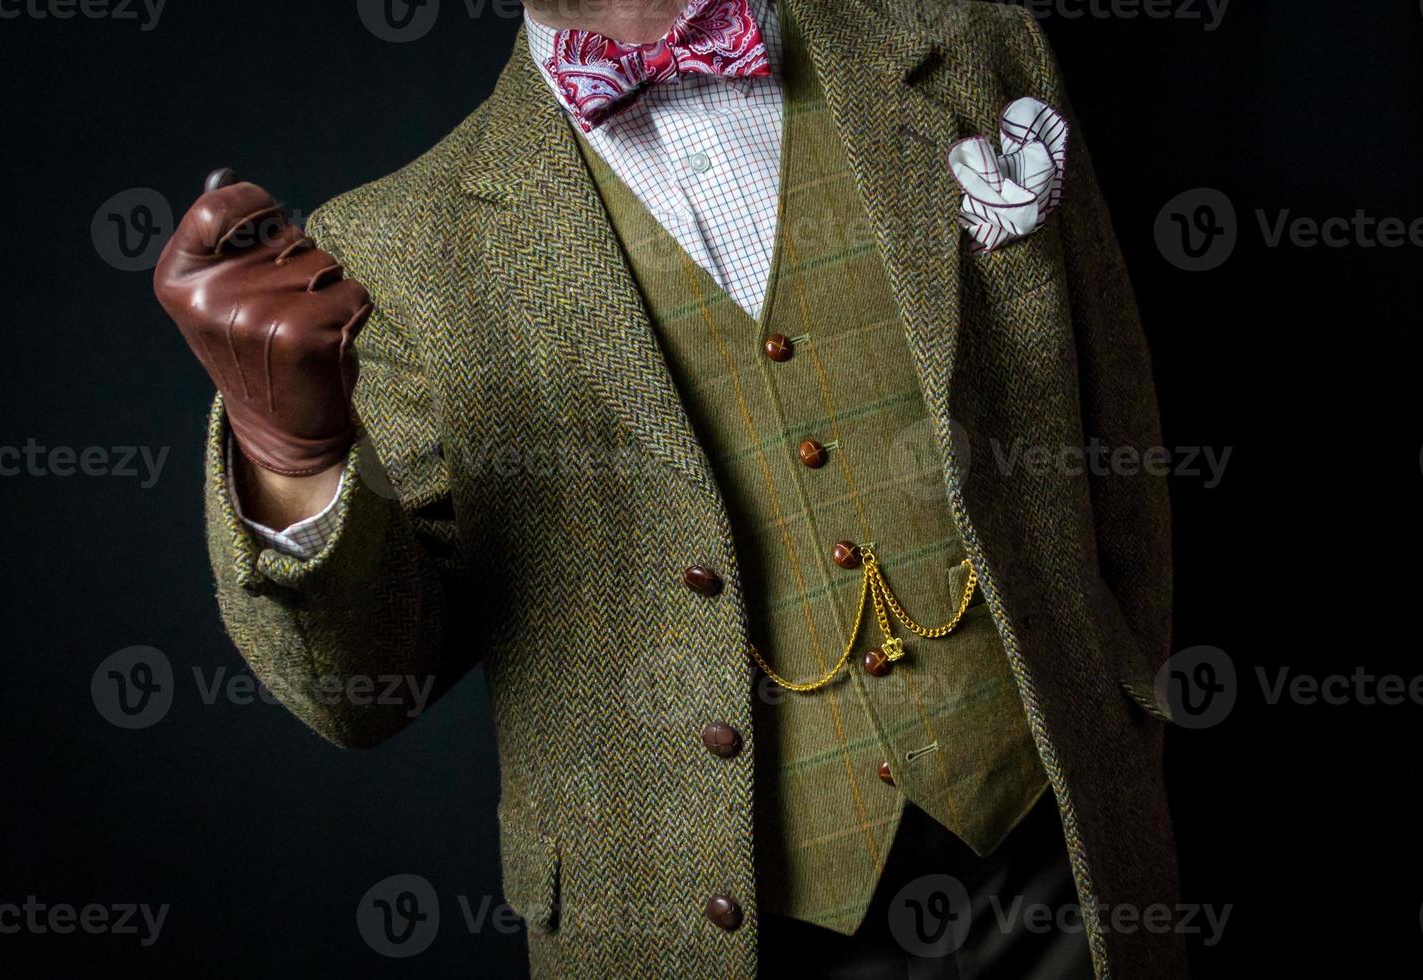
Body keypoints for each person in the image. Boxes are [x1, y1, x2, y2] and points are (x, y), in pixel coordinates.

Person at [152, 1, 1182, 976]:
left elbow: (1116, 410)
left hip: (1066, 860)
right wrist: (292, 454)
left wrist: (1129, 696)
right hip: (711, 927)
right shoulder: (399, 250)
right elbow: (361, 685)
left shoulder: (968, 42)